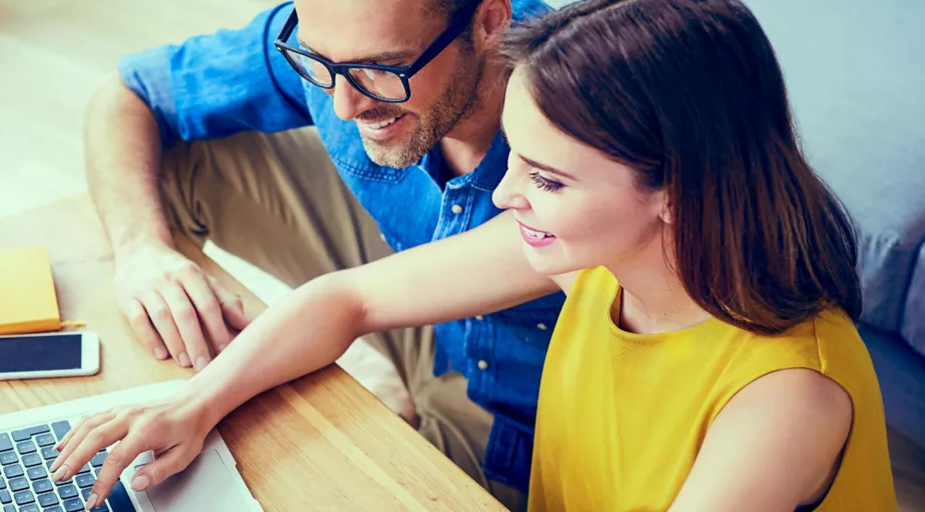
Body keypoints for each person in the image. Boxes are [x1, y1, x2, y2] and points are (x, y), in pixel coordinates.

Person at [56, 0, 900, 509]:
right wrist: (194, 404)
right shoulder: (594, 254)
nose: (500, 196)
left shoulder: (785, 399)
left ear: (672, 187)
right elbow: (344, 300)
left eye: (547, 177)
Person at [88, 0, 565, 504]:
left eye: (381, 69)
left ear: (489, 21)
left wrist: (203, 400)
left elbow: (351, 302)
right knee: (172, 163)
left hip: (524, 404)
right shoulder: (337, 33)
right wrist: (142, 250)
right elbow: (126, 92)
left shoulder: (583, 117)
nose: (343, 108)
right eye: (320, 61)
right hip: (415, 302)